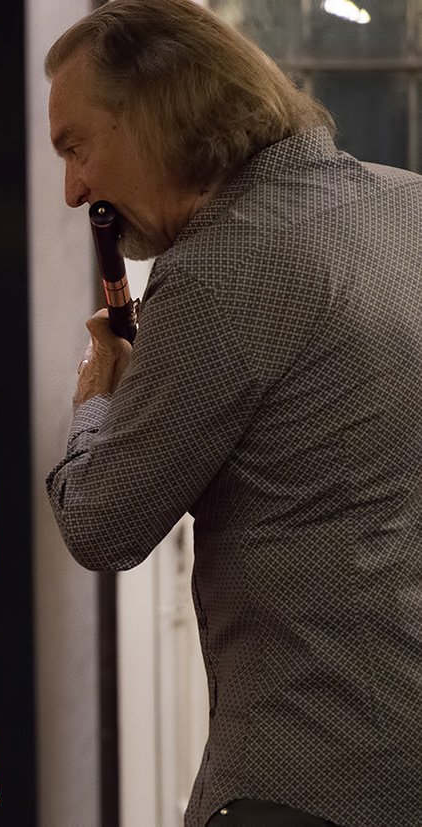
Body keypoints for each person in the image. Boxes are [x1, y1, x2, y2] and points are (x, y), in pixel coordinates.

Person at [42, 2, 422, 825]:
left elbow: (102, 525)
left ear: (156, 114)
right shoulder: (407, 202)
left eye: (76, 147)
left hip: (311, 775)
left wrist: (98, 396)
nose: (73, 191)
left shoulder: (220, 267)